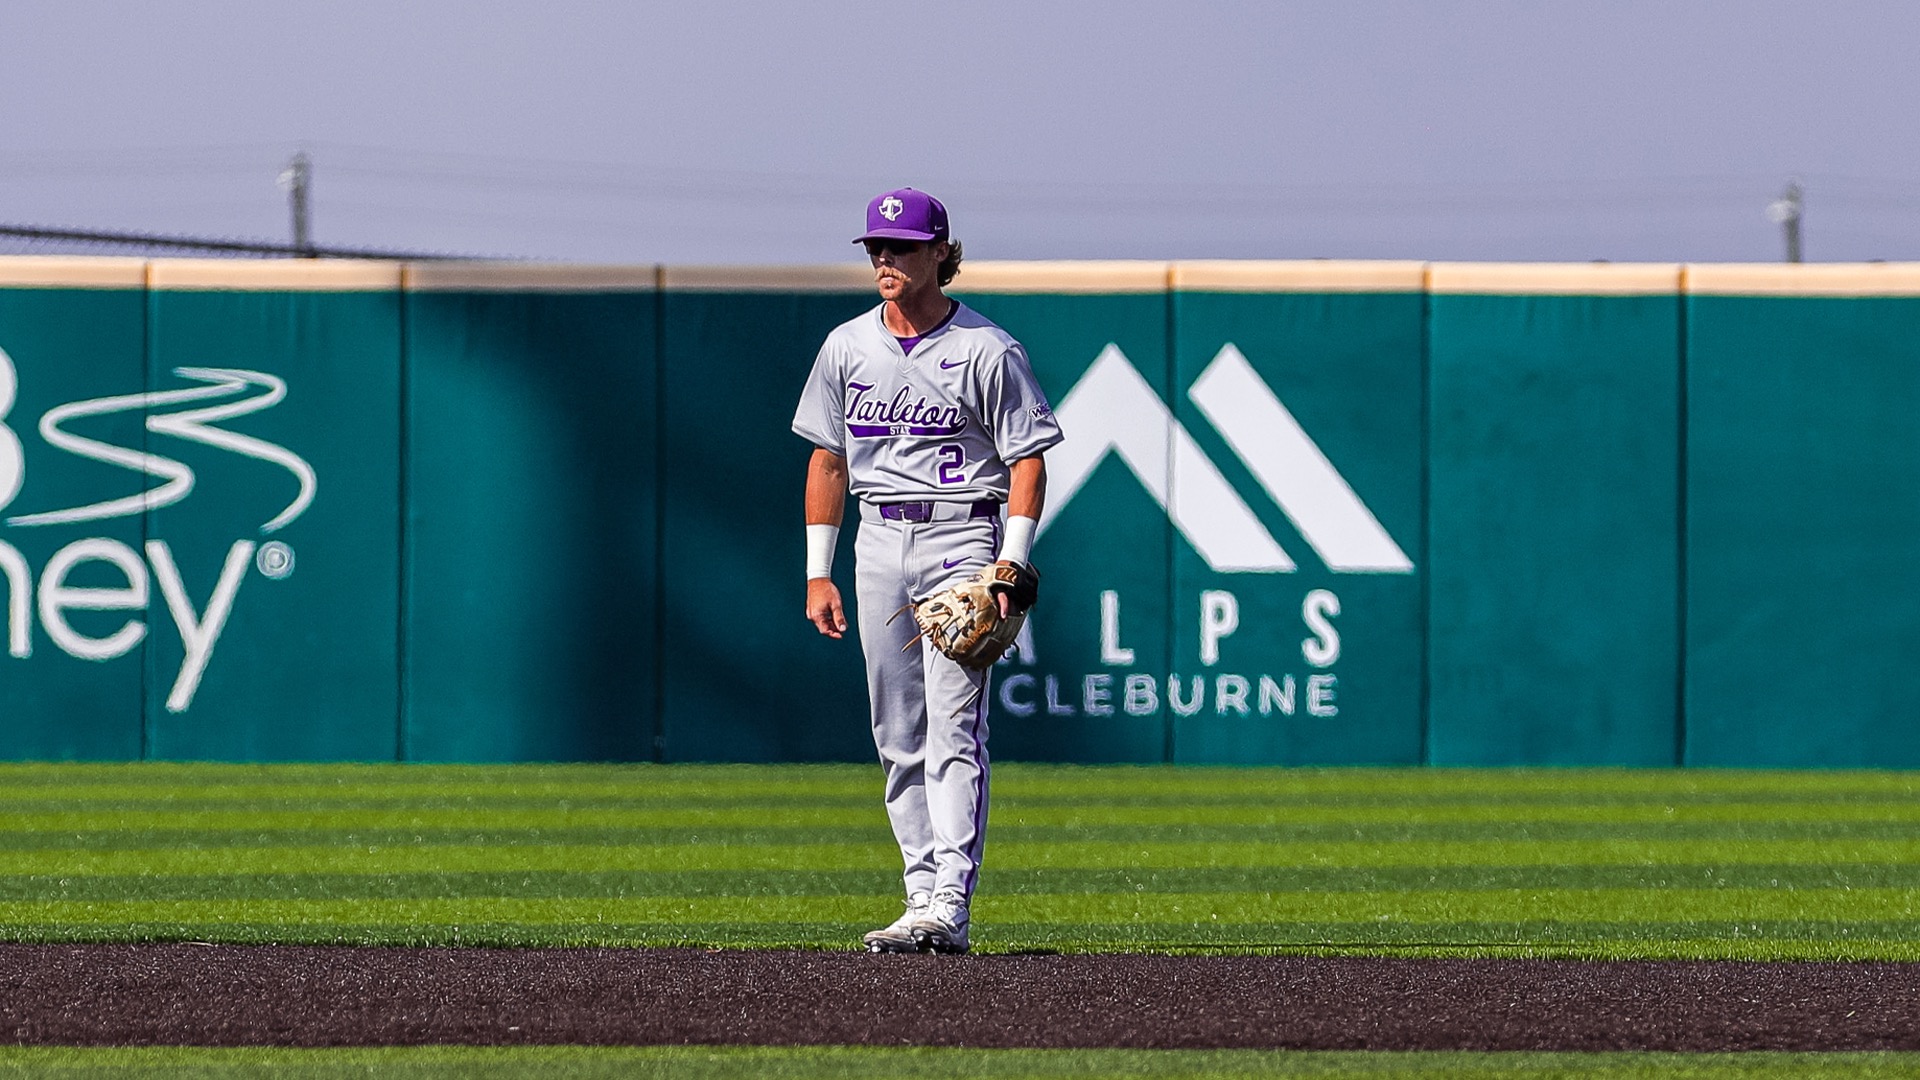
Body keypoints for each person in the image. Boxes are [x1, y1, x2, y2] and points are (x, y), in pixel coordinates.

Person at [792, 188, 1063, 954]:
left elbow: (1027, 461)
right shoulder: (847, 345)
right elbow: (827, 460)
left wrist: (1010, 558)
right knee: (896, 732)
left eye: (903, 247)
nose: (886, 259)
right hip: (877, 541)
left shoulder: (988, 348)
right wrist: (819, 572)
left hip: (959, 540)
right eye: (877, 247)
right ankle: (918, 899)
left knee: (953, 728)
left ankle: (951, 901)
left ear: (941, 253)